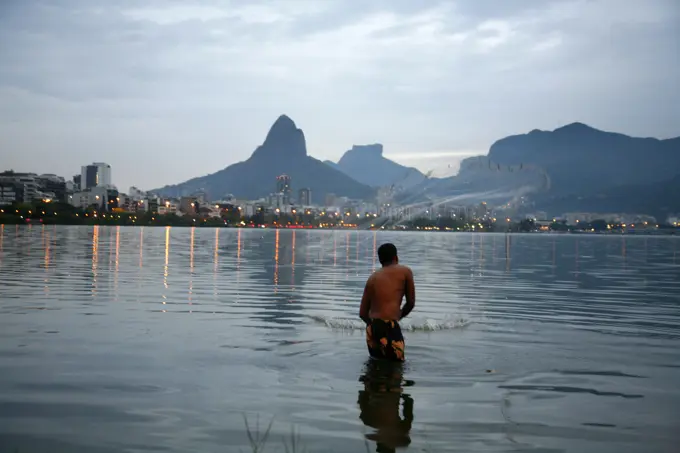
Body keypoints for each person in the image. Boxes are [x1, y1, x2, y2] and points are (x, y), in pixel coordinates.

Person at [359, 243, 415, 362]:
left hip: (372, 328)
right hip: (389, 325)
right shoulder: (405, 272)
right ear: (396, 257)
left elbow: (363, 313)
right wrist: (397, 317)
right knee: (396, 367)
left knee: (376, 365)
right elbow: (410, 303)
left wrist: (374, 325)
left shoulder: (372, 278)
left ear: (380, 260)